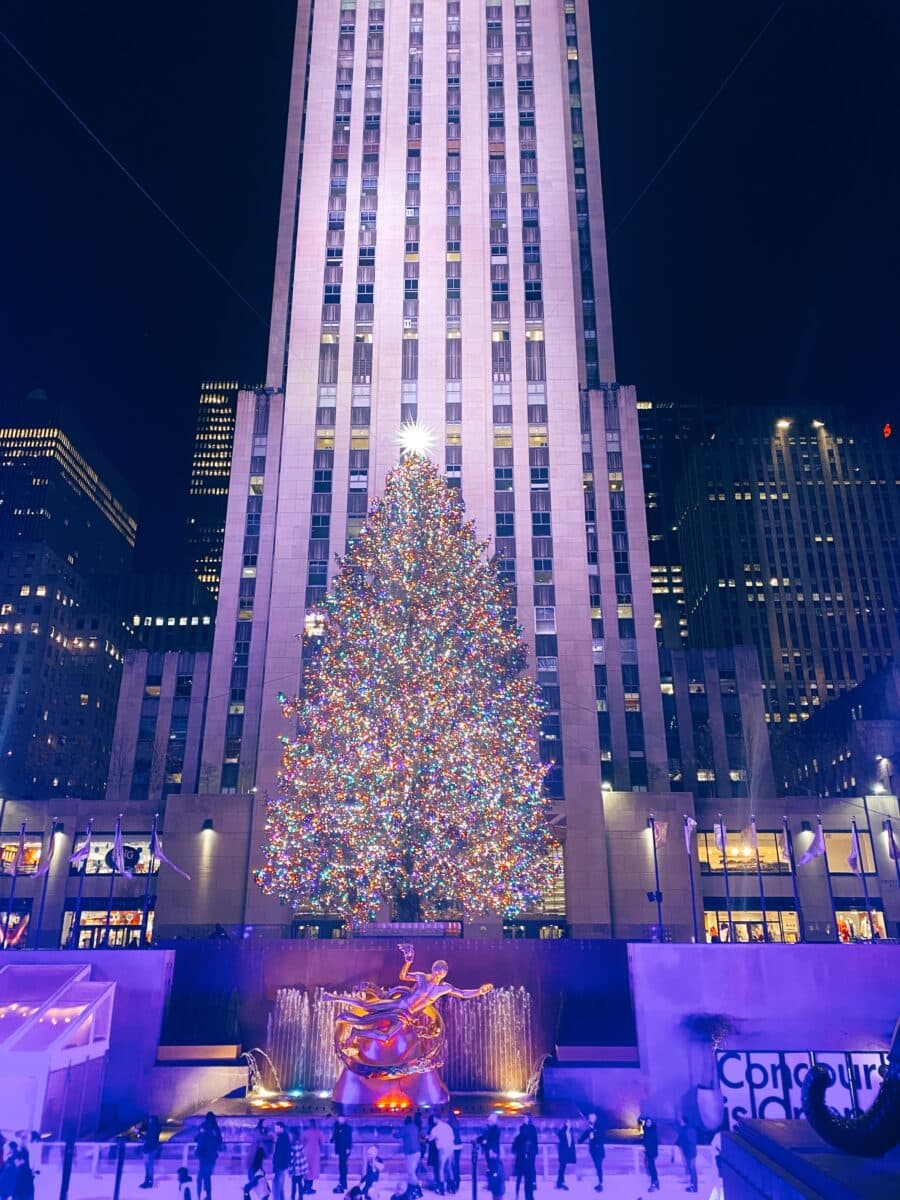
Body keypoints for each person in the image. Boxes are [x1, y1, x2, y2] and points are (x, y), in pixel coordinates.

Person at [195, 1112, 223, 1200]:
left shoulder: (203, 1127)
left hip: (204, 1156)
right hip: (211, 1156)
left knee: (201, 1177)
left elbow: (198, 1138)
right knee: (206, 1176)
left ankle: (200, 1195)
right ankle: (207, 1194)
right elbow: (219, 1140)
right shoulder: (215, 1129)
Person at [427, 1116, 455, 1196]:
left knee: (441, 1169)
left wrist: (426, 1137)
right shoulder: (448, 1127)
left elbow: (430, 1139)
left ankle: (441, 1188)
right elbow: (453, 1137)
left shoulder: (436, 1129)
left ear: (435, 1119)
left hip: (442, 1149)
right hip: (450, 1148)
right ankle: (452, 1187)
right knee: (449, 1168)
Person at [512, 1116, 537, 1200]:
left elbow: (514, 1149)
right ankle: (521, 1194)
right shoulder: (521, 1138)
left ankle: (522, 1195)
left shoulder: (530, 1131)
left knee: (525, 1178)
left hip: (525, 1160)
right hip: (523, 1160)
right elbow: (515, 1148)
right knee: (524, 1178)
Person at [578, 1112, 605, 1193]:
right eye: (590, 1118)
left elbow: (600, 1137)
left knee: (599, 1167)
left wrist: (593, 1130)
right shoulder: (590, 1128)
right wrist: (579, 1141)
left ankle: (600, 1184)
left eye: (592, 1118)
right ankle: (599, 1183)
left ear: (595, 1119)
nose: (590, 1119)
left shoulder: (598, 1126)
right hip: (593, 1151)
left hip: (599, 1151)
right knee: (597, 1167)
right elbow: (585, 1136)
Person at [398, 1115, 422, 1196]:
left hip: (410, 1153)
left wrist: (393, 1132)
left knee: (411, 1172)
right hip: (418, 1152)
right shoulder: (415, 1127)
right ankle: (411, 1186)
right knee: (413, 1171)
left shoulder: (406, 1128)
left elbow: (397, 1135)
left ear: (405, 1121)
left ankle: (417, 1187)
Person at [332, 1117, 353, 1195]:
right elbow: (335, 1136)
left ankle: (343, 1183)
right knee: (341, 1166)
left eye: (341, 1119)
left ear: (344, 1119)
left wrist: (348, 1148)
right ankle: (343, 1183)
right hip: (340, 1150)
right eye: (338, 1119)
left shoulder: (348, 1128)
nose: (339, 1120)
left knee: (343, 1167)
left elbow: (349, 1139)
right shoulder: (337, 1127)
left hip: (344, 1150)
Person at [676, 1118, 698, 1193]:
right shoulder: (685, 1130)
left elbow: (691, 1142)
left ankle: (694, 1186)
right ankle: (692, 1185)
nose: (680, 1123)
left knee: (692, 1169)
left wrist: (691, 1154)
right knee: (691, 1169)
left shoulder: (688, 1130)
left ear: (684, 1121)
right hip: (688, 1153)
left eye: (681, 1121)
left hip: (690, 1153)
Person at [140, 1115, 162, 1189]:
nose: (148, 1120)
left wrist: (140, 1134)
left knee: (149, 1165)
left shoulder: (153, 1127)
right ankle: (148, 1180)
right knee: (148, 1165)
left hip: (150, 1148)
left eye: (150, 1119)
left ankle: (149, 1181)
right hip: (150, 1148)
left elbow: (149, 1138)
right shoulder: (155, 1127)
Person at [302, 1120, 324, 1194]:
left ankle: (305, 1187)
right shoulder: (318, 1132)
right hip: (315, 1153)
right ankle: (309, 1187)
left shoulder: (305, 1132)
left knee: (306, 1170)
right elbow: (321, 1142)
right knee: (313, 1170)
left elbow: (302, 1142)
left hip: (306, 1153)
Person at [272, 1122, 292, 1200]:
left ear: (282, 1128)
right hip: (283, 1165)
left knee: (277, 1188)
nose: (275, 1130)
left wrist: (275, 1167)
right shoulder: (285, 1137)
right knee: (280, 1188)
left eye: (277, 1128)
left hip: (280, 1166)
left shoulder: (282, 1139)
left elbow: (279, 1154)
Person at [639, 1117, 659, 1193]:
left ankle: (654, 1183)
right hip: (648, 1151)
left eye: (649, 1122)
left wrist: (655, 1153)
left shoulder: (652, 1131)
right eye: (647, 1122)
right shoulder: (647, 1130)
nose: (647, 1123)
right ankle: (656, 1182)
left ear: (651, 1123)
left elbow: (651, 1141)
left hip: (652, 1152)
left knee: (652, 1168)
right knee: (651, 1167)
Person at [291, 1128, 310, 1200]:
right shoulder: (300, 1143)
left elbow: (293, 1157)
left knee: (294, 1183)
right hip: (301, 1167)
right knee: (299, 1182)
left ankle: (293, 1197)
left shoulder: (293, 1145)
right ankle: (300, 1197)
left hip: (296, 1167)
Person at [555, 1122, 575, 1191]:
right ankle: (559, 1183)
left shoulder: (570, 1132)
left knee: (563, 1167)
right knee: (562, 1167)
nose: (569, 1124)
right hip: (562, 1153)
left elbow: (570, 1143)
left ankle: (561, 1182)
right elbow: (559, 1134)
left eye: (569, 1123)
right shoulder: (563, 1132)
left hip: (566, 1153)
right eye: (567, 1123)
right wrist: (564, 1128)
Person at [447, 1111, 462, 1195]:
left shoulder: (449, 1124)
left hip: (452, 1146)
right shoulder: (457, 1123)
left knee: (451, 1165)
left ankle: (452, 1183)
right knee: (457, 1164)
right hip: (459, 1146)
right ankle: (457, 1180)